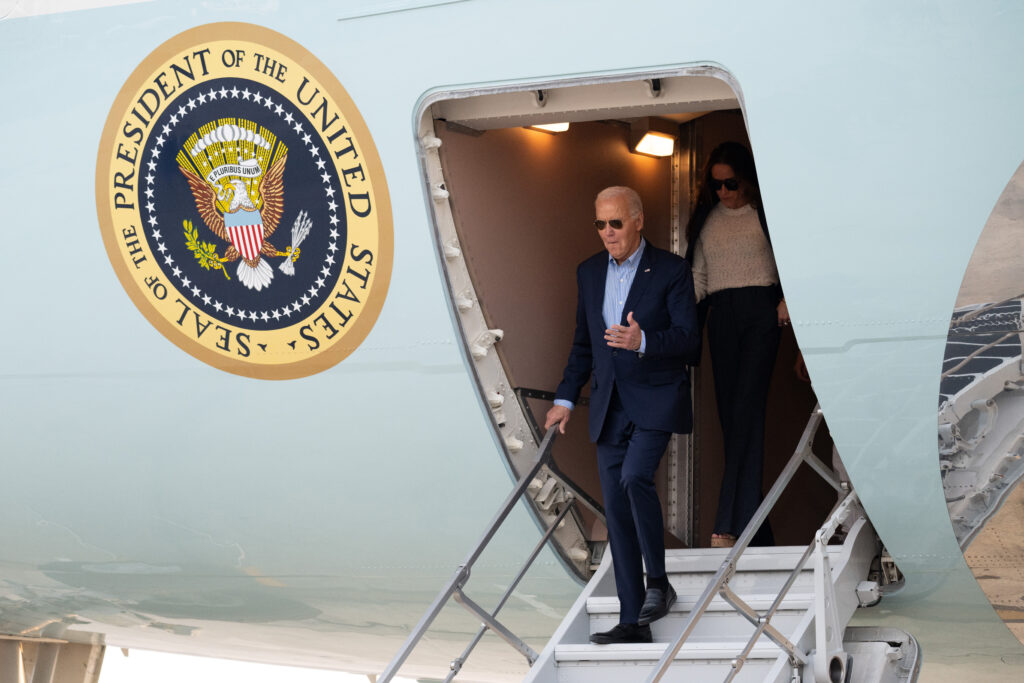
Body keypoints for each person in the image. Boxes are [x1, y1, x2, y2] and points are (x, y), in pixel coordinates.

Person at [545, 186, 699, 645]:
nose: (607, 233)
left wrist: (643, 341)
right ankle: (633, 622)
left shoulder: (671, 269)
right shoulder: (589, 272)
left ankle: (660, 583)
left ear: (638, 221)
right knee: (615, 510)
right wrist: (565, 399)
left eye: (615, 223)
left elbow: (690, 340)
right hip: (608, 405)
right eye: (600, 224)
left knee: (635, 478)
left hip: (656, 398)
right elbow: (583, 344)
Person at [685, 142, 788, 549]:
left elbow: (791, 263)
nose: (724, 192)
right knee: (732, 419)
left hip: (761, 312)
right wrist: (669, 315)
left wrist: (786, 300)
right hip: (721, 316)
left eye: (730, 184)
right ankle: (758, 531)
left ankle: (727, 524)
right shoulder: (707, 220)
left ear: (745, 179)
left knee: (746, 410)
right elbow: (698, 279)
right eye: (716, 186)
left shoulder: (766, 214)